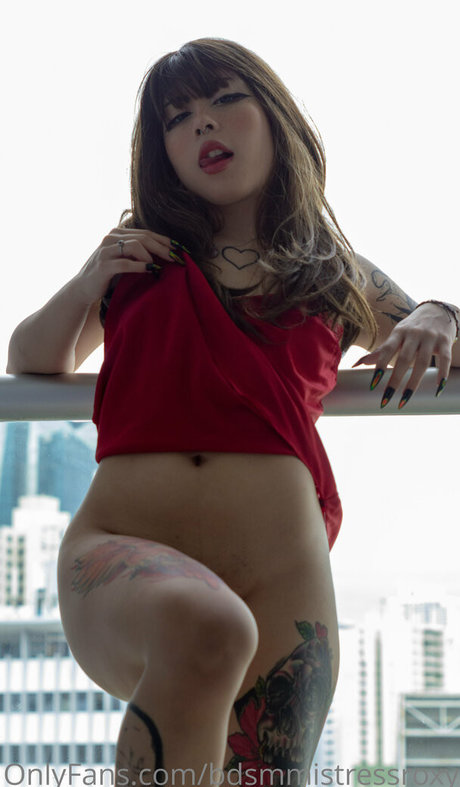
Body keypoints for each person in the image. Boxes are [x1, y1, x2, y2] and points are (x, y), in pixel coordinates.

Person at [7, 38, 459, 787]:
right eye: (177, 118)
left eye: (224, 101)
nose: (202, 125)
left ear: (275, 117)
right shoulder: (138, 257)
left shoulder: (332, 270)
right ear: (164, 152)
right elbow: (31, 357)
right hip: (123, 550)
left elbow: (435, 339)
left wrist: (440, 312)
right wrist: (88, 280)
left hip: (285, 575)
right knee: (207, 626)